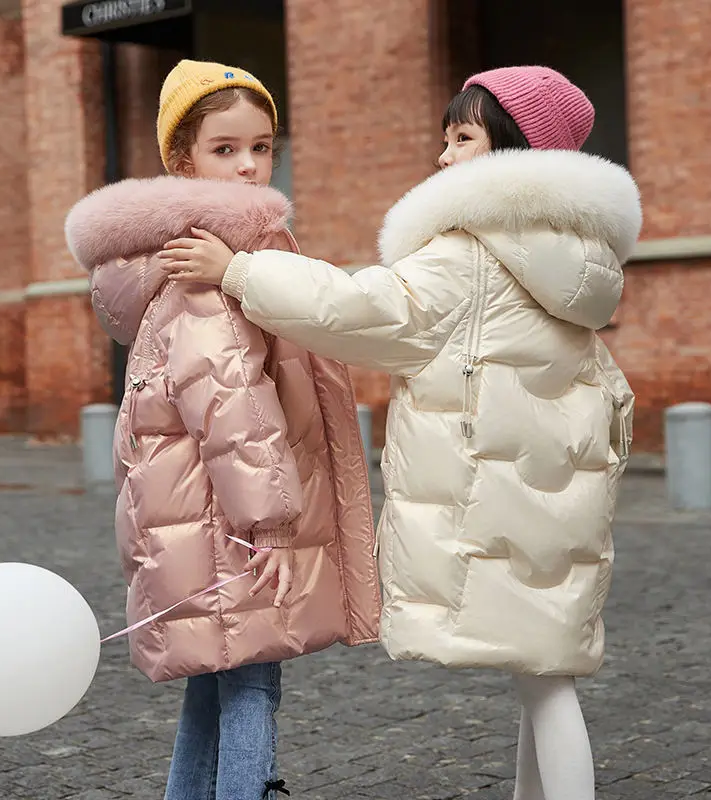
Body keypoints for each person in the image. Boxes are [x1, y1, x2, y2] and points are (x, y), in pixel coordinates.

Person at [158, 66, 641, 800]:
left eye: (463, 138)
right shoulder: (573, 258)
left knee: (545, 685)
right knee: (546, 673)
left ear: (514, 149)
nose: (445, 157)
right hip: (552, 501)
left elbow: (362, 311)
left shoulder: (471, 252)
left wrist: (242, 271)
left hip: (490, 495)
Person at [64, 59, 380, 800]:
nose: (247, 166)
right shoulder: (215, 254)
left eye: (261, 147)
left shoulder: (180, 251)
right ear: (182, 158)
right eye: (225, 148)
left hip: (193, 514)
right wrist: (267, 523)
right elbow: (229, 397)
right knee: (250, 687)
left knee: (214, 684)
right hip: (229, 519)